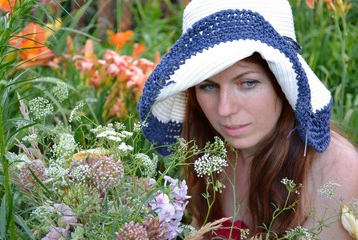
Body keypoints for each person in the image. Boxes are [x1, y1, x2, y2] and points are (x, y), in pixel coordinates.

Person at [138, 0, 358, 239]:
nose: (224, 109)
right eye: (208, 86)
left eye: (248, 83)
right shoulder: (210, 152)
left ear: (283, 85)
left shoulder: (336, 171)